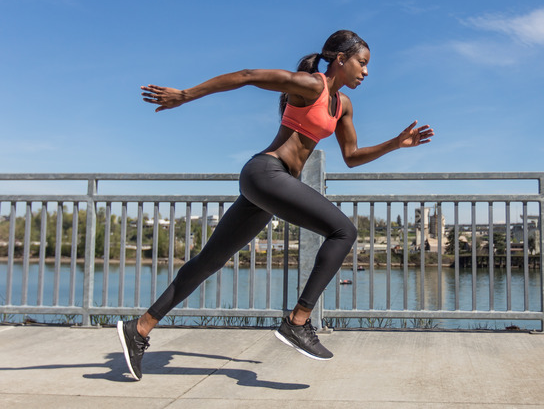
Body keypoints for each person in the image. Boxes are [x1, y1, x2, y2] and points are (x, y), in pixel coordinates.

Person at [116, 30, 434, 381]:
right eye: (363, 63)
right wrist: (185, 95)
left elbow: (352, 157)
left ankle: (139, 328)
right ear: (340, 60)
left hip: (271, 185)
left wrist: (396, 143)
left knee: (209, 261)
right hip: (266, 172)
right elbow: (247, 77)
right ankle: (298, 321)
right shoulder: (310, 85)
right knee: (344, 231)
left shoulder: (342, 105)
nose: (367, 72)